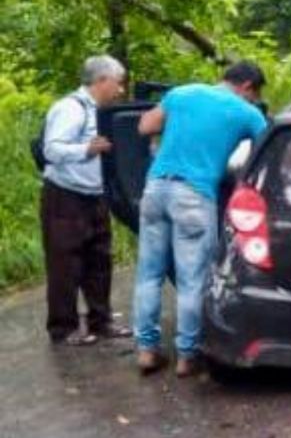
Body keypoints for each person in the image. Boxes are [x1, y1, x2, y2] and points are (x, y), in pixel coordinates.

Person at [133, 61, 268, 377]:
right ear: (248, 86)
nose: (253, 100)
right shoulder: (248, 112)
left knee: (148, 273)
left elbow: (145, 127)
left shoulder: (182, 92)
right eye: (255, 94)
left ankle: (147, 350)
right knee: (193, 278)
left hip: (155, 188)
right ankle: (187, 355)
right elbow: (266, 154)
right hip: (195, 195)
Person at [41, 55, 132, 346]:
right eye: (117, 83)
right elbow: (52, 149)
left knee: (99, 260)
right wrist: (86, 149)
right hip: (65, 196)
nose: (120, 90)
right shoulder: (70, 108)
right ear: (102, 80)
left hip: (95, 196)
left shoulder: (102, 111)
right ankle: (63, 328)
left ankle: (101, 321)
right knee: (65, 263)